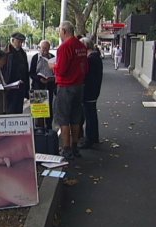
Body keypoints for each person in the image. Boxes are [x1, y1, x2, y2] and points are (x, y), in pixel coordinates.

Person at [48, 21, 88, 160]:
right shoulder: (81, 46)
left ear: (64, 31)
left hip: (66, 86)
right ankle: (75, 146)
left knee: (63, 118)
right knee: (76, 118)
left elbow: (62, 69)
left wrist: (53, 66)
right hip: (79, 85)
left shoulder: (65, 47)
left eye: (60, 31)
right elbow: (85, 68)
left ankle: (66, 148)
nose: (59, 34)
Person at [79, 37, 103, 149]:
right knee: (91, 114)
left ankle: (90, 139)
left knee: (89, 115)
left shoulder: (90, 58)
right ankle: (94, 137)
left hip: (89, 90)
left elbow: (86, 74)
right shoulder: (95, 56)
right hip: (94, 89)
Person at [29, 40, 55, 129]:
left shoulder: (52, 57)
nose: (45, 51)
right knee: (39, 110)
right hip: (38, 86)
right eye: (43, 49)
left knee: (49, 108)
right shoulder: (35, 58)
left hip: (49, 86)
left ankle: (48, 127)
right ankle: (39, 129)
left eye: (47, 49)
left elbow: (56, 71)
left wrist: (51, 79)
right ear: (40, 48)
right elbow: (31, 73)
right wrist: (39, 79)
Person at [2, 32, 30, 114]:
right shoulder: (5, 52)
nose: (21, 44)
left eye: (22, 42)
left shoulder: (22, 53)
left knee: (18, 110)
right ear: (12, 40)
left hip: (20, 87)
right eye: (19, 42)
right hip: (10, 87)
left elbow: (25, 71)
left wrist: (26, 88)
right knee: (10, 110)